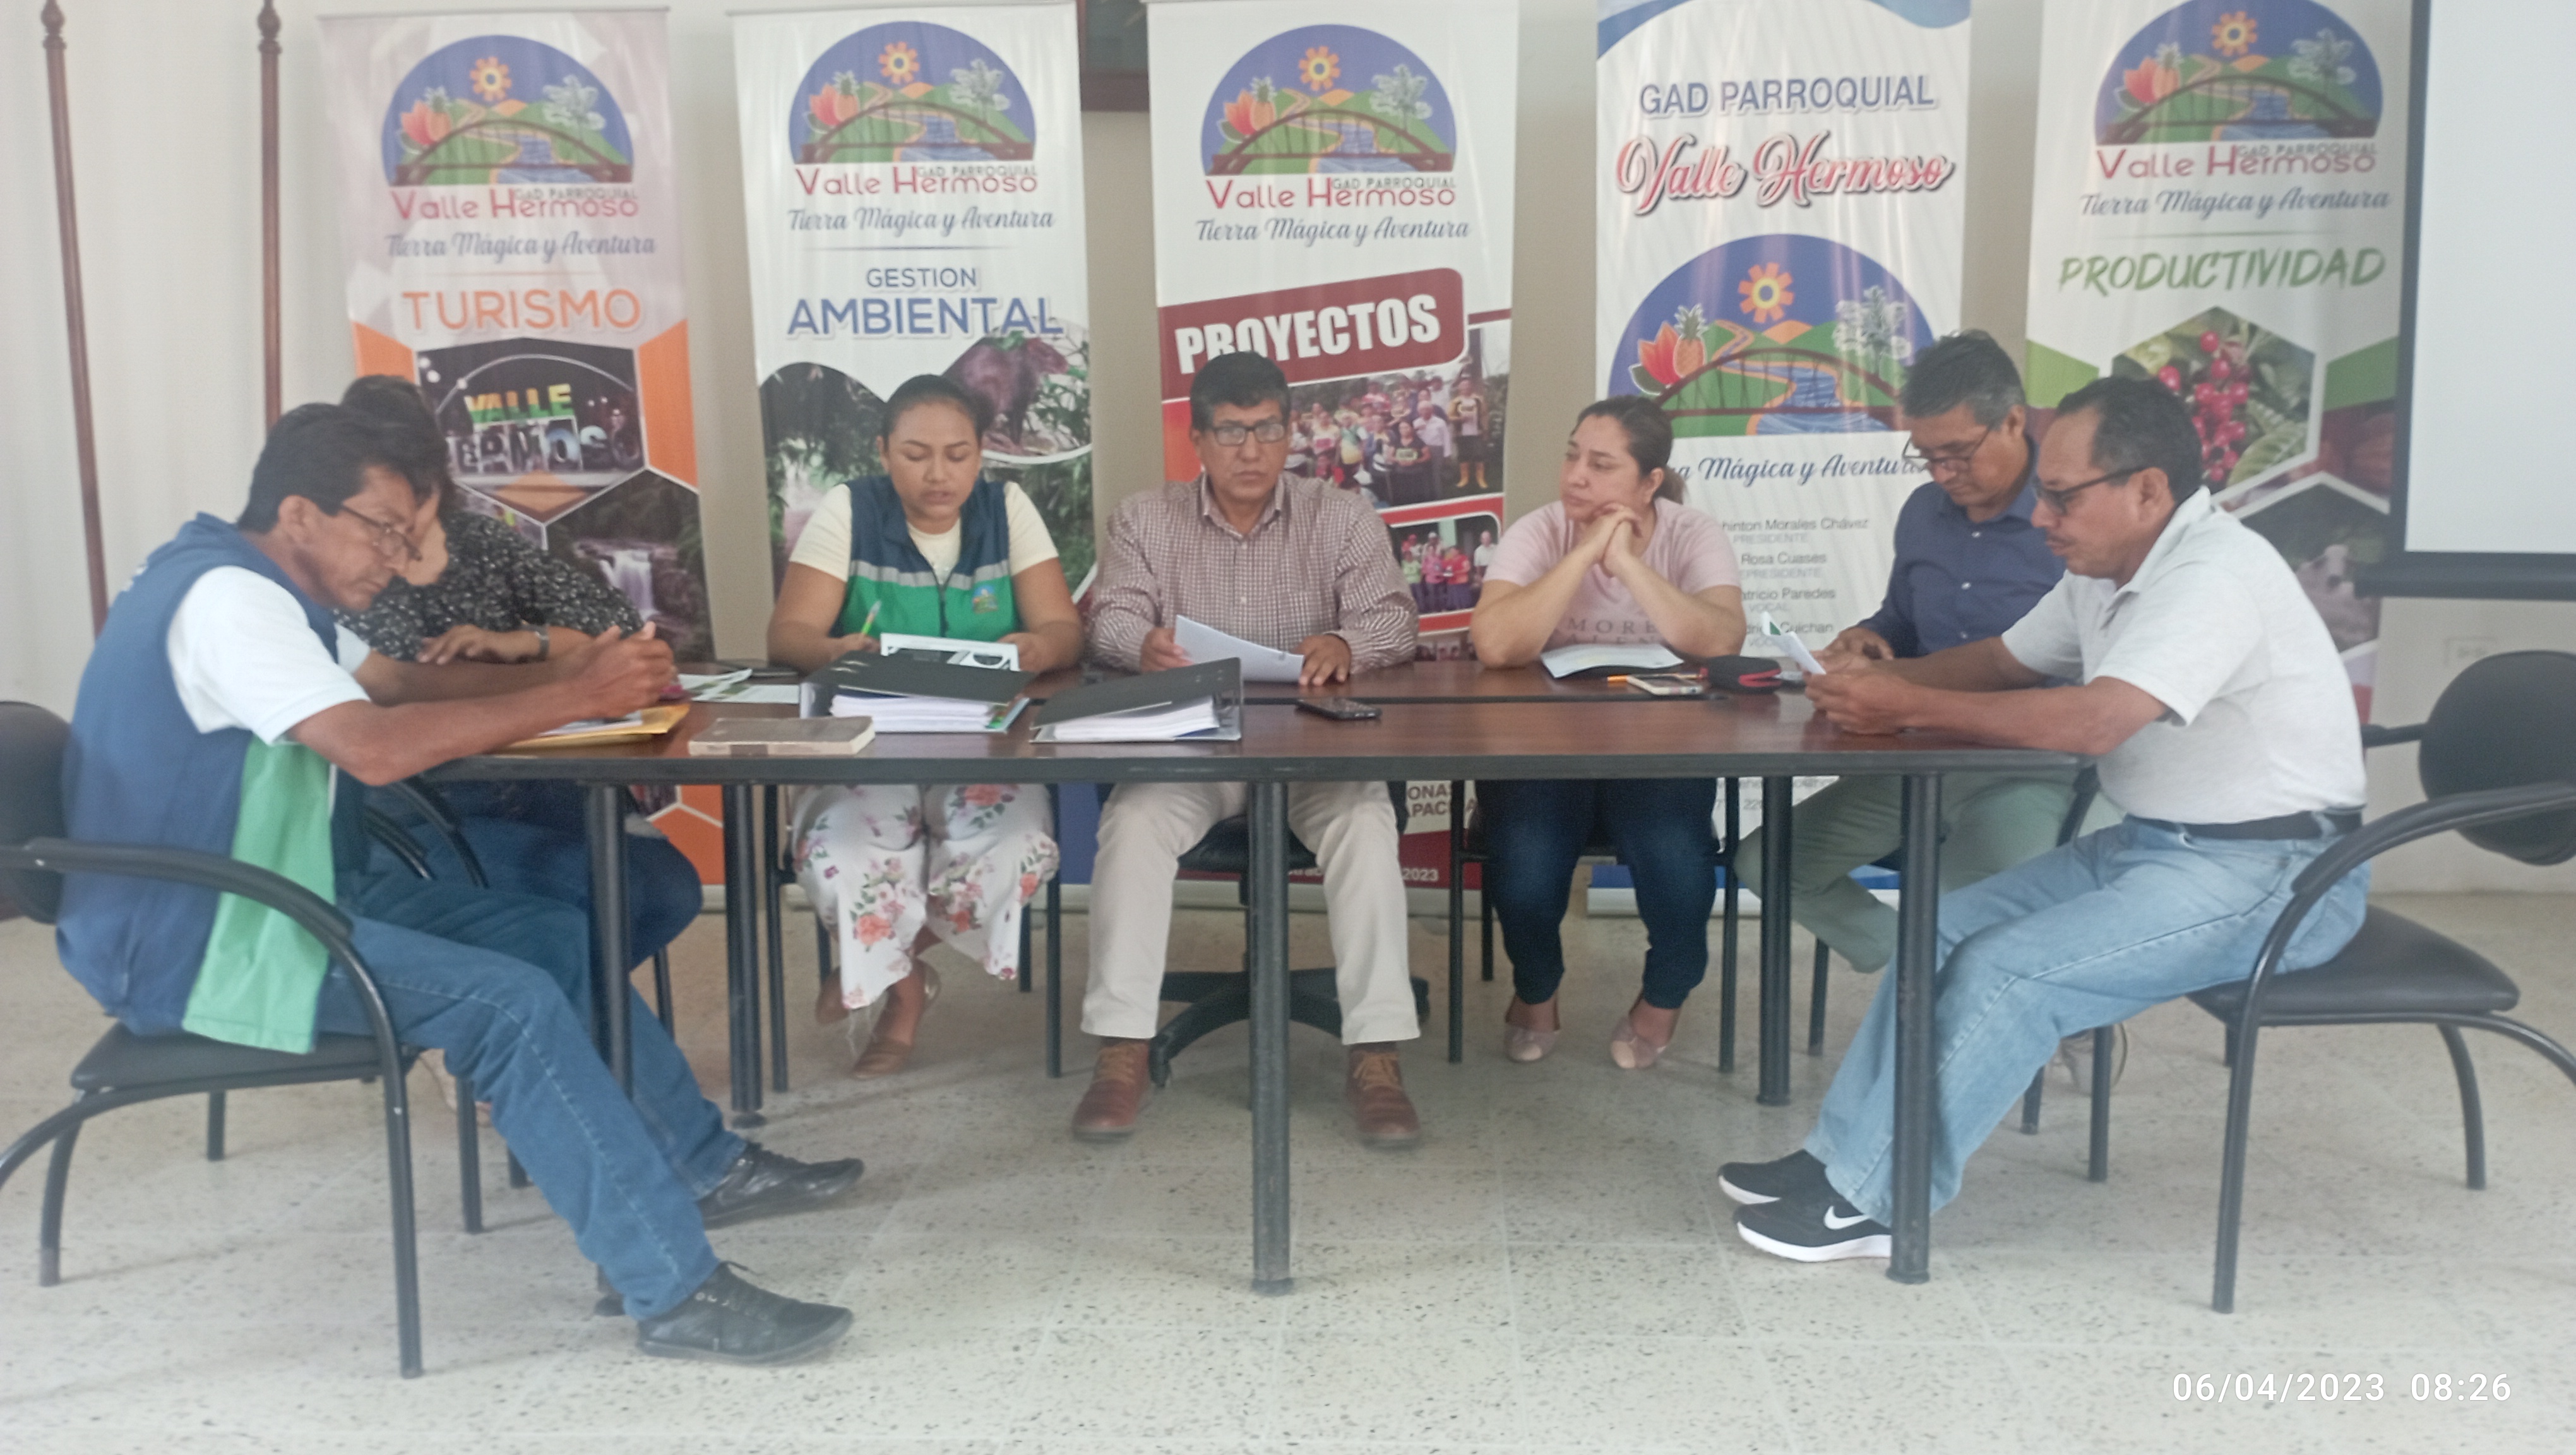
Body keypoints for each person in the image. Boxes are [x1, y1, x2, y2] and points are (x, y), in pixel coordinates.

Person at [53, 404, 864, 1362]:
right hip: (200, 938)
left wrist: (581, 674)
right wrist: (573, 695)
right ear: (301, 513)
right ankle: (674, 1291)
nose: (398, 560)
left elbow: (393, 685)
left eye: (410, 535)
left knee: (551, 935)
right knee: (507, 1004)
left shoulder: (258, 583)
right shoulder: (231, 601)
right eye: (384, 531)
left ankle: (696, 1169)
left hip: (288, 894)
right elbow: (372, 747)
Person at [1717, 377, 2371, 1261]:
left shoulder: (2213, 576)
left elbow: (2096, 721)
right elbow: (2003, 662)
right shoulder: (2105, 568)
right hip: (2154, 845)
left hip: (2278, 874)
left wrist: (1905, 704)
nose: (2041, 517)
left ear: (2148, 490)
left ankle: (1879, 1200)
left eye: (2062, 497)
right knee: (1934, 933)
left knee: (2010, 974)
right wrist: (1877, 680)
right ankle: (1843, 1158)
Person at [1077, 351, 1424, 1146]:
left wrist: (1346, 641)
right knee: (1132, 823)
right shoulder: (1144, 518)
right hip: (1193, 750)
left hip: (1316, 750)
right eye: (1231, 432)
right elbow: (1111, 618)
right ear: (1197, 440)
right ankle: (1123, 1048)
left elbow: (1394, 619)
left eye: (1268, 430)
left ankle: (1376, 1053)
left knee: (1366, 823)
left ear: (1290, 432)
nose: (1251, 450)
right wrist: (1140, 644)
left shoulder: (1340, 515)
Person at [333, 375, 704, 976]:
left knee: (669, 890)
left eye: (419, 496)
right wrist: (566, 676)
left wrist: (521, 642)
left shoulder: (481, 541)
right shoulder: (347, 570)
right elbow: (397, 686)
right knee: (586, 899)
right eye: (384, 510)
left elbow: (619, 625)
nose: (405, 523)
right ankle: (574, 1014)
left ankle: (574, 1009)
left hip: (542, 778)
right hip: (428, 799)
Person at [766, 374, 1082, 1077]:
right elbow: (788, 635)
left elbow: (1064, 630)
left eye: (957, 455)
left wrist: (1039, 647)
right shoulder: (851, 509)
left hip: (987, 747)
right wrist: (834, 651)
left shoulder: (1007, 510)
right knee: (843, 851)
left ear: (981, 455)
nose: (939, 474)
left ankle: (887, 958)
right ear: (883, 452)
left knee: (1015, 849)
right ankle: (905, 994)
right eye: (916, 455)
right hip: (869, 745)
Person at [1732, 332, 2073, 981]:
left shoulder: (2065, 522)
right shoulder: (1923, 512)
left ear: (2013, 422)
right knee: (1766, 862)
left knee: (1955, 912)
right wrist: (1866, 637)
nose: (1942, 473)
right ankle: (1924, 976)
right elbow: (1902, 620)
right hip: (1918, 757)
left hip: (2026, 766)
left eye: (1957, 454)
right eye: (1927, 456)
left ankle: (1947, 977)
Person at [1468, 397, 1746, 1067]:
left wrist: (1628, 565)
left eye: (1600, 465)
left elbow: (1721, 640)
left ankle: (1662, 999)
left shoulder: (1692, 533)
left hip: (1658, 750)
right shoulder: (1540, 531)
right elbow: (1496, 644)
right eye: (1572, 456)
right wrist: (1586, 551)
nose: (1576, 476)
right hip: (1545, 748)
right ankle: (1536, 987)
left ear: (1650, 482)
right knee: (1524, 867)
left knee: (1678, 867)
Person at [1450, 378, 1490, 493]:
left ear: (1471, 386)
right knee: (1463, 457)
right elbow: (1450, 416)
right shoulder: (1455, 402)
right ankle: (1464, 479)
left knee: (1479, 456)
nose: (1466, 388)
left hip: (1477, 433)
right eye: (1463, 386)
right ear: (1460, 388)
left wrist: (1485, 430)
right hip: (1461, 434)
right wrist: (1460, 419)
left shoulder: (1478, 400)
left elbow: (1485, 415)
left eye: (1468, 385)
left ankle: (1480, 479)